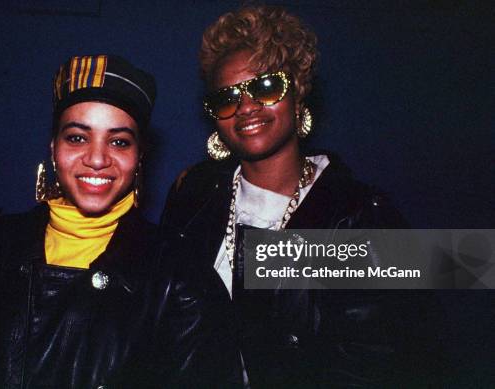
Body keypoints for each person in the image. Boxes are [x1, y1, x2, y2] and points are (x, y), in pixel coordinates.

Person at [0, 55, 240, 388]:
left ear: (139, 158)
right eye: (77, 137)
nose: (96, 158)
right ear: (53, 147)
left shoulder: (181, 279)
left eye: (119, 142)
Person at [160, 6, 445, 388]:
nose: (246, 107)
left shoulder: (357, 216)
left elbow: (383, 362)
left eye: (265, 87)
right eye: (227, 98)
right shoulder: (194, 195)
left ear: (297, 94)